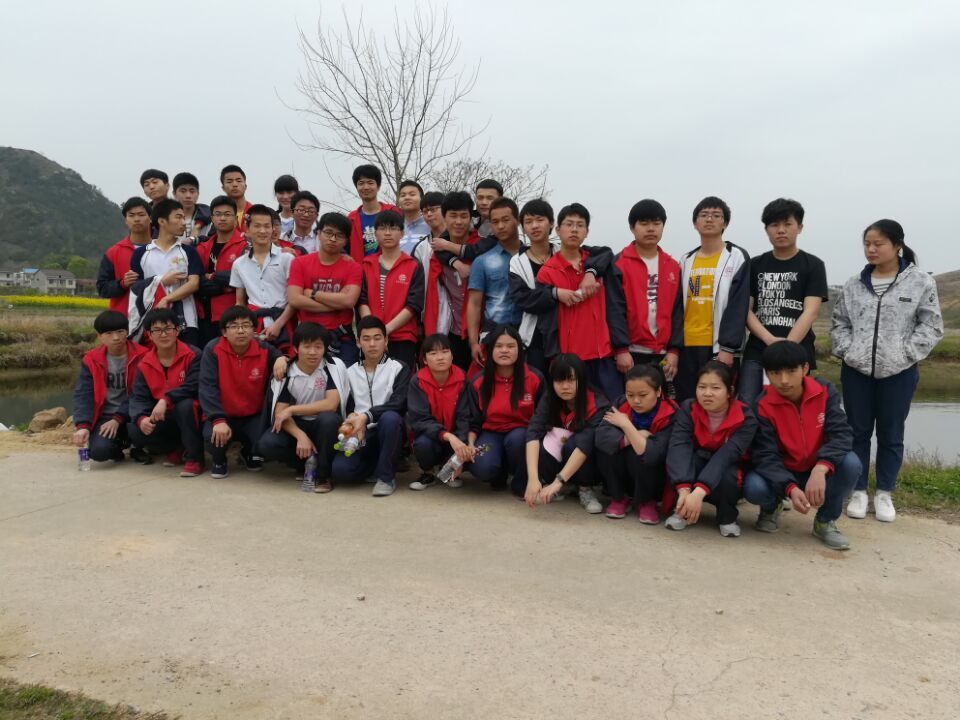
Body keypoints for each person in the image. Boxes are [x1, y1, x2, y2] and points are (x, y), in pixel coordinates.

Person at [831, 219, 943, 523]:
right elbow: (840, 323)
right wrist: (848, 351)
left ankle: (884, 493)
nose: (871, 249)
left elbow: (932, 326)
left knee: (892, 434)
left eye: (878, 243)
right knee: (856, 431)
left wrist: (905, 354)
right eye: (867, 244)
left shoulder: (920, 282)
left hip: (899, 372)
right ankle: (857, 491)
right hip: (856, 371)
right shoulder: (854, 284)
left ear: (897, 245)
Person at [744, 341, 861, 550]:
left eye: (791, 371)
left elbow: (841, 434)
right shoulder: (761, 405)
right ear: (767, 374)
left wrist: (821, 467)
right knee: (754, 486)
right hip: (784, 470)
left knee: (851, 464)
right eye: (775, 373)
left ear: (805, 368)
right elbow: (765, 456)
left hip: (817, 468)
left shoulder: (824, 391)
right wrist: (789, 487)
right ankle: (772, 506)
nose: (784, 380)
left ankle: (825, 520)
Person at [508, 198, 613, 374]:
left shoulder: (565, 249)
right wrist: (555, 293)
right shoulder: (517, 262)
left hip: (570, 336)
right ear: (522, 227)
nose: (535, 226)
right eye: (528, 222)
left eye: (540, 220)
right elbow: (521, 298)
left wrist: (591, 272)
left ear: (551, 224)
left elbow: (604, 253)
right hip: (535, 335)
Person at [535, 202, 628, 402]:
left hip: (603, 354)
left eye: (580, 225)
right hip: (569, 358)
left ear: (587, 232)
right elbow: (545, 319)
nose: (574, 229)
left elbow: (615, 307)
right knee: (576, 410)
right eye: (569, 224)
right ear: (558, 230)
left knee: (614, 407)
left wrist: (621, 349)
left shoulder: (599, 264)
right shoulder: (547, 272)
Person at [739, 198, 828, 404]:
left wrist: (786, 347)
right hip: (758, 351)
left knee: (791, 408)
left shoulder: (813, 265)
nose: (781, 230)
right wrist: (769, 340)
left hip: (797, 352)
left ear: (800, 227)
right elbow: (746, 309)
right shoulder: (754, 265)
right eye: (774, 225)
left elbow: (811, 311)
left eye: (787, 224)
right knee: (748, 405)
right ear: (766, 229)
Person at [665, 361, 757, 537]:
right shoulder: (688, 408)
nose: (707, 393)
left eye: (715, 388)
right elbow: (679, 445)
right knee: (683, 462)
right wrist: (684, 489)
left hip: (727, 465)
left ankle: (727, 517)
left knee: (729, 475)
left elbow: (728, 453)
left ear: (730, 391)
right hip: (697, 460)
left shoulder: (746, 417)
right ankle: (682, 510)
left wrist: (700, 491)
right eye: (702, 387)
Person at [258, 322, 350, 492]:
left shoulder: (333, 366)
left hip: (324, 425)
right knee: (267, 443)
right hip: (297, 424)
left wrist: (292, 409)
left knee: (328, 419)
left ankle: (323, 476)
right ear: (295, 348)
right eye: (307, 346)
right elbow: (280, 414)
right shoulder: (286, 372)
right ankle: (304, 464)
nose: (313, 352)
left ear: (325, 348)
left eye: (318, 347)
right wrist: (301, 436)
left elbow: (331, 404)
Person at [199, 306, 289, 479]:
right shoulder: (213, 349)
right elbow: (207, 387)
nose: (240, 331)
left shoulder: (264, 349)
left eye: (246, 325)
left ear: (254, 330)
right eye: (234, 326)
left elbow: (284, 359)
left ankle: (248, 452)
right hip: (223, 414)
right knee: (212, 436)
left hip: (253, 416)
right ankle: (219, 460)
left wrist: (281, 358)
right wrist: (218, 419)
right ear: (224, 332)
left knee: (268, 443)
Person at [675, 197, 750, 401]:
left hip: (718, 347)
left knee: (718, 401)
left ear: (725, 223)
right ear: (695, 223)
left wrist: (728, 347)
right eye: (704, 215)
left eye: (716, 215)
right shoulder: (685, 260)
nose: (710, 219)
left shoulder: (736, 256)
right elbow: (677, 305)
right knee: (687, 401)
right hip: (687, 345)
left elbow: (738, 304)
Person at [332, 316, 411, 497]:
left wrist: (366, 416)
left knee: (391, 418)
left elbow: (399, 403)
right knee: (341, 471)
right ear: (358, 342)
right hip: (360, 433)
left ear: (386, 340)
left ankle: (386, 477)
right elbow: (347, 406)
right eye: (366, 339)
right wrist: (352, 419)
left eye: (377, 338)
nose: (372, 344)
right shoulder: (349, 372)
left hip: (389, 430)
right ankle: (376, 465)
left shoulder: (399, 368)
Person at [523, 353, 609, 514]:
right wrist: (533, 479)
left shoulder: (598, 404)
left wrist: (558, 481)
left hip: (585, 457)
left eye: (571, 380)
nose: (565, 386)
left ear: (582, 379)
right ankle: (562, 485)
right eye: (559, 380)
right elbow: (533, 432)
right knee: (542, 442)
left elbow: (584, 445)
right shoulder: (550, 397)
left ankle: (585, 488)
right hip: (561, 456)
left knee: (575, 443)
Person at [608, 199, 682, 380]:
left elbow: (678, 311)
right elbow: (614, 309)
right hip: (630, 353)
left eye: (656, 223)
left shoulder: (673, 266)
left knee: (662, 397)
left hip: (664, 354)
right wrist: (621, 349)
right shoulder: (619, 264)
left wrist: (674, 350)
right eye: (644, 223)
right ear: (632, 227)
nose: (651, 229)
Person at [464, 326, 544, 492]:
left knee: (517, 440)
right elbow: (473, 420)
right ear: (490, 350)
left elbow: (542, 418)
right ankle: (498, 474)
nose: (504, 350)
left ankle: (521, 481)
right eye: (499, 346)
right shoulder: (478, 382)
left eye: (510, 346)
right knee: (483, 466)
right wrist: (470, 444)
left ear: (519, 349)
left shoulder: (535, 378)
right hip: (490, 435)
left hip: (522, 435)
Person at [595, 364, 678, 523]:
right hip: (625, 470)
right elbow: (601, 436)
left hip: (654, 477)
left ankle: (647, 502)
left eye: (643, 395)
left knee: (642, 454)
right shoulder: (621, 403)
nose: (636, 400)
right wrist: (635, 436)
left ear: (658, 391)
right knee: (608, 450)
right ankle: (619, 497)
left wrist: (626, 425)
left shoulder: (671, 413)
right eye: (630, 394)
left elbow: (653, 453)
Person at [126, 309, 204, 477]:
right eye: (157, 330)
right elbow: (138, 397)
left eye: (168, 328)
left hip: (194, 414)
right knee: (135, 429)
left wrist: (166, 399)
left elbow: (194, 386)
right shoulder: (144, 363)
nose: (163, 334)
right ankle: (176, 448)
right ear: (149, 335)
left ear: (177, 330)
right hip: (164, 416)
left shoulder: (193, 354)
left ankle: (195, 457)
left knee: (185, 405)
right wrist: (141, 418)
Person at [72, 310, 149, 465]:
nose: (116, 337)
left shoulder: (143, 355)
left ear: (127, 331)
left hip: (134, 412)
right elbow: (83, 394)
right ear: (99, 336)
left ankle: (137, 447)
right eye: (109, 333)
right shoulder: (91, 360)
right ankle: (116, 446)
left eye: (120, 331)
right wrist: (83, 425)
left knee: (141, 425)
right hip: (105, 416)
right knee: (98, 452)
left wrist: (118, 418)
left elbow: (140, 393)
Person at [287, 212, 363, 366]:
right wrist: (336, 303)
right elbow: (294, 299)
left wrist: (313, 294)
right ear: (319, 233)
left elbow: (349, 301)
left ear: (346, 240)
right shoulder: (300, 263)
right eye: (328, 232)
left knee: (345, 379)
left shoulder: (353, 267)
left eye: (339, 235)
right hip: (307, 336)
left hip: (341, 337)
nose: (333, 239)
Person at [130, 199, 203, 347]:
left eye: (184, 218)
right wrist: (161, 281)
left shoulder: (188, 252)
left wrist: (166, 299)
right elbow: (136, 289)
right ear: (162, 221)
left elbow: (194, 283)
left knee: (188, 358)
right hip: (152, 321)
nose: (183, 222)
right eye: (178, 217)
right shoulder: (141, 254)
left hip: (186, 320)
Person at [357, 210, 424, 371]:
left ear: (402, 233)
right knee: (371, 380)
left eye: (393, 228)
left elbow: (414, 305)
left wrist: (386, 330)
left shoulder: (413, 265)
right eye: (382, 228)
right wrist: (374, 331)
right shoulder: (366, 264)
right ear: (375, 233)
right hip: (371, 339)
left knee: (401, 380)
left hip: (403, 337)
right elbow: (362, 300)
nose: (387, 233)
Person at [406, 334, 473, 490]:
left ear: (452, 355)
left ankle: (449, 470)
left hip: (456, 437)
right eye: (433, 353)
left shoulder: (462, 379)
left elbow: (465, 416)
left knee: (466, 447)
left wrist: (460, 444)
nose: (440, 357)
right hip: (431, 437)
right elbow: (420, 420)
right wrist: (447, 436)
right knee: (422, 444)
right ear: (424, 360)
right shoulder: (418, 381)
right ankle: (428, 473)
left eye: (445, 351)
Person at [229, 204, 296, 351]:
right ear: (247, 229)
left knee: (285, 361)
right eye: (257, 226)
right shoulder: (239, 264)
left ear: (273, 229)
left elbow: (294, 299)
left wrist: (278, 324)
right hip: (255, 324)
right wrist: (243, 327)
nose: (263, 231)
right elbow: (240, 302)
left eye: (267, 226)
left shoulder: (287, 259)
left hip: (284, 322)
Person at [466, 197, 524, 366]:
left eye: (505, 220)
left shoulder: (532, 257)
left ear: (517, 220)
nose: (500, 226)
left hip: (530, 334)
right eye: (495, 222)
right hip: (494, 335)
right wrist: (473, 342)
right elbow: (474, 304)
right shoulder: (482, 261)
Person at [196, 196, 246, 343]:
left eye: (227, 214)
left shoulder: (245, 245)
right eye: (218, 214)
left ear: (236, 218)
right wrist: (226, 286)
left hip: (232, 314)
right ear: (212, 218)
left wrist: (211, 277)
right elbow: (197, 281)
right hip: (203, 315)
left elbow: (243, 278)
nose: (222, 218)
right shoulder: (203, 247)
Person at [97, 197, 152, 313]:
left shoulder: (161, 250)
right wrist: (122, 284)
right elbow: (102, 288)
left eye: (141, 214)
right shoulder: (113, 252)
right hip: (122, 318)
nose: (136, 219)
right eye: (131, 215)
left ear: (150, 218)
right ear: (126, 220)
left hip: (156, 318)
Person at [347, 164, 401, 261]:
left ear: (378, 186)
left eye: (370, 183)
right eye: (361, 183)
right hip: (361, 268)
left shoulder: (393, 211)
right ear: (356, 187)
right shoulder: (351, 219)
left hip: (390, 266)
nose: (366, 187)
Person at [172, 172, 212, 244]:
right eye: (183, 191)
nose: (188, 195)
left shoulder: (210, 220)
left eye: (192, 191)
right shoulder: (167, 220)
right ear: (174, 194)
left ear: (198, 194)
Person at [397, 179, 430, 255]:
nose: (407, 198)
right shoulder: (394, 228)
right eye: (403, 195)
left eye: (412, 194)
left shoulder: (431, 225)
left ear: (422, 199)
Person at [220, 165, 252, 232]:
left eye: (239, 181)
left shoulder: (255, 212)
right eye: (229, 182)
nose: (235, 184)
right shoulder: (219, 217)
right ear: (223, 188)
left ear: (245, 186)